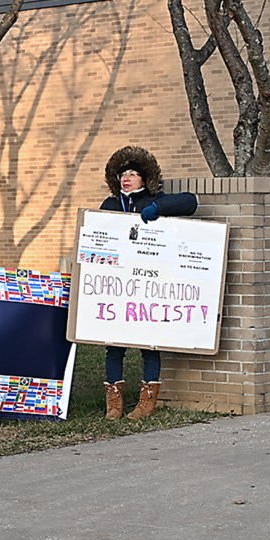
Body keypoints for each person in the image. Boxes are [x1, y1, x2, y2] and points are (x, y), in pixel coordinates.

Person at [99, 146, 197, 420]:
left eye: (133, 174)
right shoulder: (109, 205)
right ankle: (114, 404)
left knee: (148, 344)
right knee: (114, 344)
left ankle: (147, 403)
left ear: (145, 178)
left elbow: (190, 201)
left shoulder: (155, 200)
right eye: (123, 174)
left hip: (149, 282)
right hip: (118, 283)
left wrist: (157, 208)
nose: (126, 178)